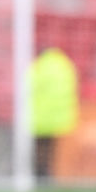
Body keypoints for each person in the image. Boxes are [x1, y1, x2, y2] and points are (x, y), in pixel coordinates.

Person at [30, 45, 79, 180]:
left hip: (39, 113)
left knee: (38, 144)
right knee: (50, 145)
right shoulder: (65, 65)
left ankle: (38, 171)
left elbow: (30, 86)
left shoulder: (39, 66)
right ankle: (46, 171)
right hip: (58, 115)